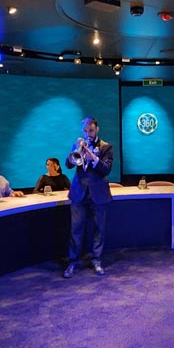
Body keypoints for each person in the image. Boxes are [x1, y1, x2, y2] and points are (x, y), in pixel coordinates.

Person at [63, 117, 114, 278]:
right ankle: (72, 262)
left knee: (99, 229)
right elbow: (68, 165)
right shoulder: (77, 144)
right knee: (75, 229)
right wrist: (75, 152)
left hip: (98, 194)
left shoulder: (106, 147)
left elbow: (106, 170)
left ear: (97, 129)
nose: (88, 134)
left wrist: (92, 156)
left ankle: (97, 260)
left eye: (90, 130)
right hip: (79, 192)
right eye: (85, 131)